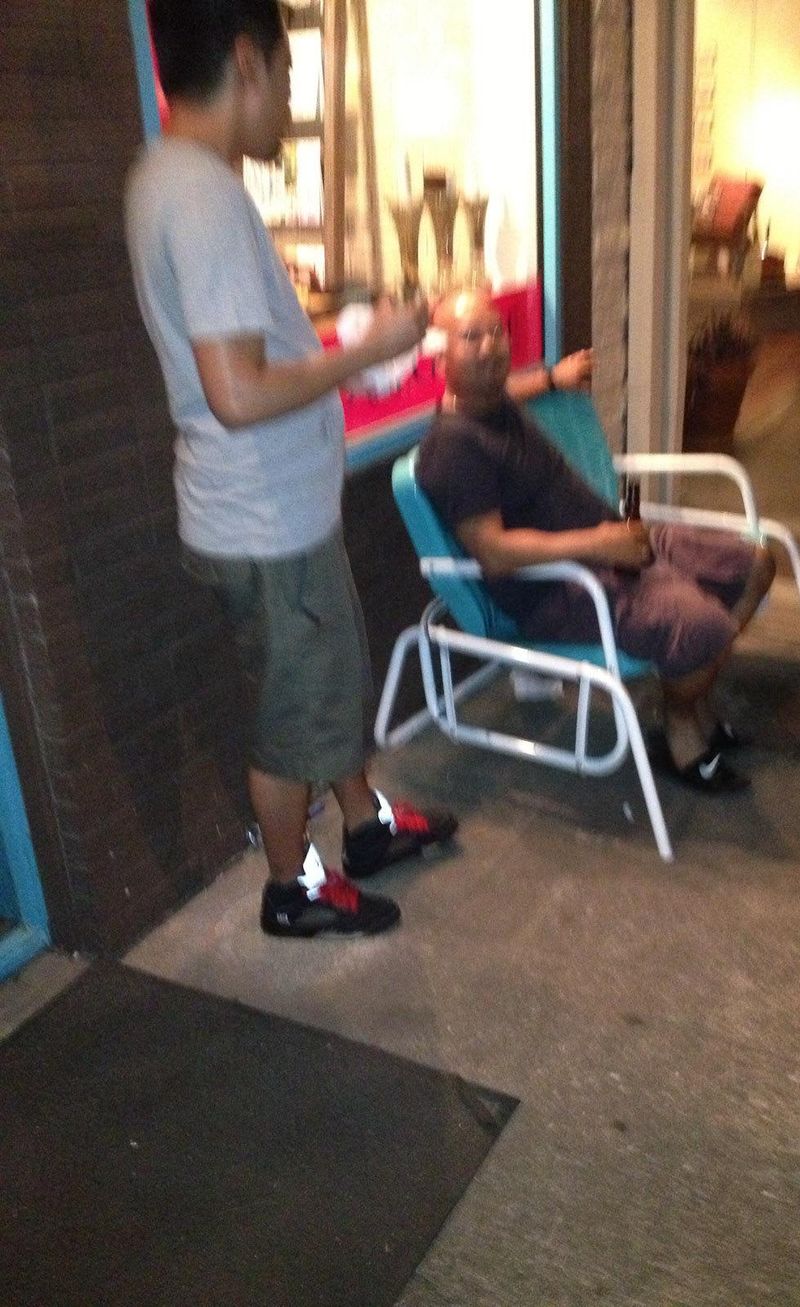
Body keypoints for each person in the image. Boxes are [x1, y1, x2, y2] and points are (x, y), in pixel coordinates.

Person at [125, 0, 457, 940]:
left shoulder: (169, 176)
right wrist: (372, 349)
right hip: (264, 524)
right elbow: (234, 391)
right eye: (291, 73)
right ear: (248, 61)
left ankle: (364, 822)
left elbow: (238, 354)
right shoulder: (203, 197)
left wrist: (334, 340)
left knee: (324, 678)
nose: (292, 100)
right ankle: (292, 886)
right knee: (291, 718)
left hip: (269, 513)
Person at [417, 292, 776, 791]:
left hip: (613, 544)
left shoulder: (492, 406)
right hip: (560, 587)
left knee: (756, 565)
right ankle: (681, 728)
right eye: (470, 337)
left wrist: (550, 378)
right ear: (438, 356)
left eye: (496, 331)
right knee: (704, 625)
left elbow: (499, 389)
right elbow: (493, 555)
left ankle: (689, 688)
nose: (490, 347)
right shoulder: (454, 449)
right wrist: (597, 544)